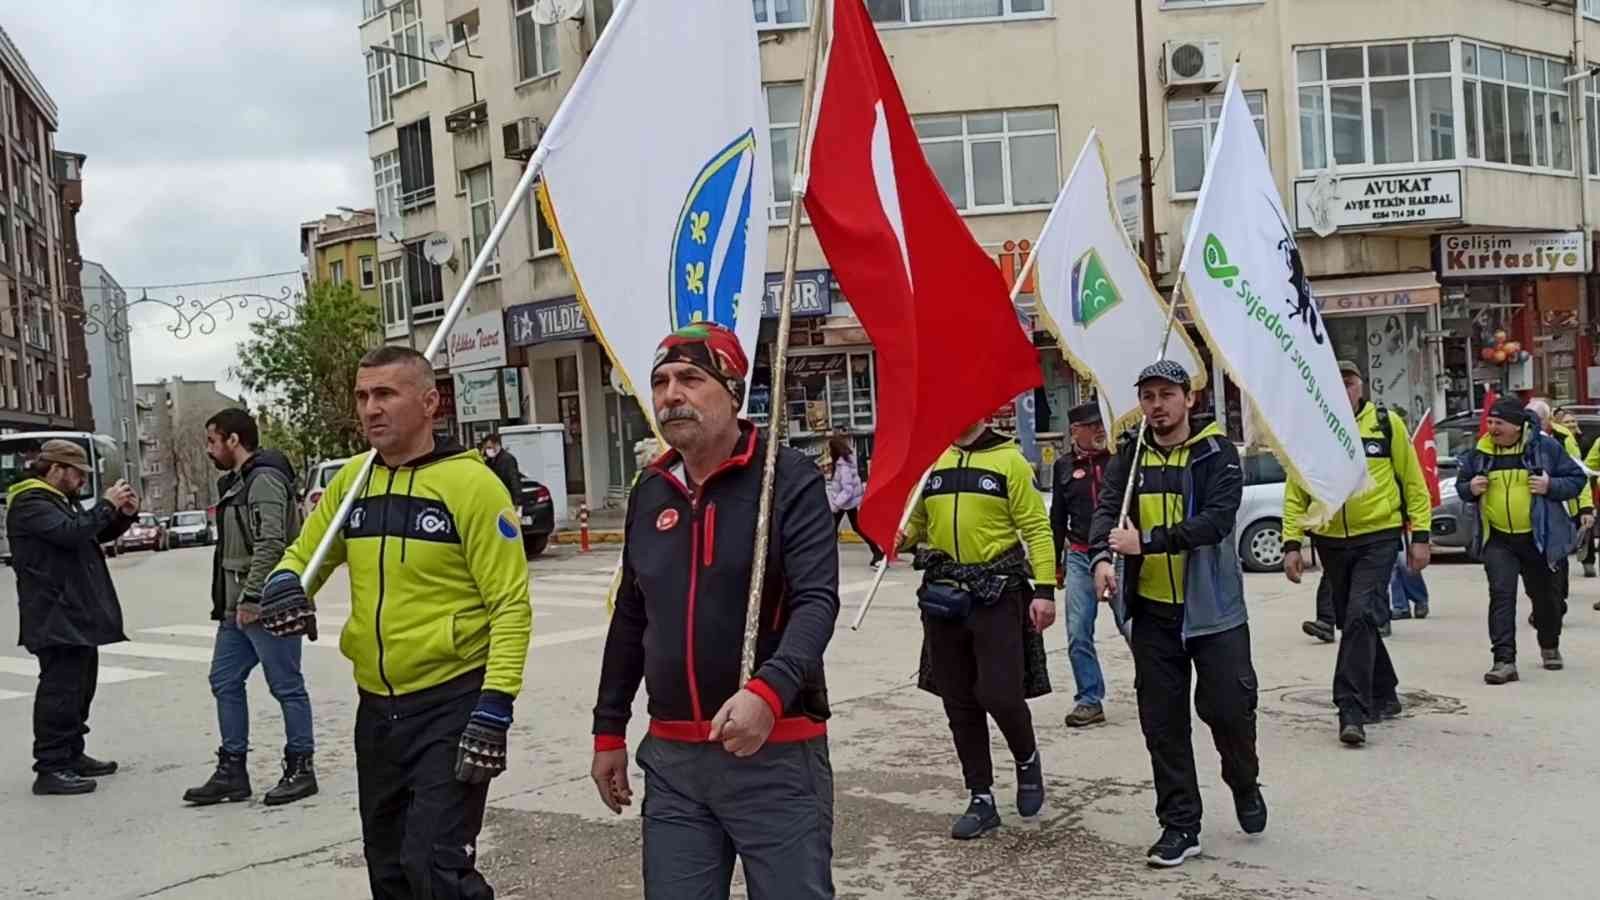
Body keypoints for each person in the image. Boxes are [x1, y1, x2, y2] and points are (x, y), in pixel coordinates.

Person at [260, 346, 532, 899]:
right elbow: (301, 556)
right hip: (378, 710)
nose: (370, 409)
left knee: (436, 869)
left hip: (452, 704)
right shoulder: (353, 484)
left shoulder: (473, 486)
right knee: (387, 868)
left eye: (385, 394)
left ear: (430, 402)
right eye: (362, 396)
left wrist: (495, 706)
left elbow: (510, 605)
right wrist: (285, 585)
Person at [590, 322, 840, 897]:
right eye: (660, 382)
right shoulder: (649, 491)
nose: (671, 394)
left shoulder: (787, 479)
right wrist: (609, 730)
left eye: (690, 378)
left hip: (775, 752)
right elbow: (631, 618)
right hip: (674, 762)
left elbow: (816, 602)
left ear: (733, 390)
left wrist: (767, 693)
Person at [1090, 360, 1263, 868]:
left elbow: (1214, 522)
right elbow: (1107, 511)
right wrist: (1103, 557)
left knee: (1229, 712)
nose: (1157, 405)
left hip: (1213, 615)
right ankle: (1180, 824)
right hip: (1153, 616)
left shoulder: (1217, 454)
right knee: (1162, 725)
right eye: (1148, 396)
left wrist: (1146, 543)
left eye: (1167, 394)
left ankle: (1244, 782)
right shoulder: (1131, 455)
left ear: (1188, 398)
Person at [900, 415, 1056, 841]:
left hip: (996, 593)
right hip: (943, 595)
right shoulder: (933, 462)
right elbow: (916, 526)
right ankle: (981, 797)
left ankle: (1026, 758)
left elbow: (1036, 528)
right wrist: (900, 534)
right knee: (959, 701)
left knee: (1000, 693)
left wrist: (1044, 588)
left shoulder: (1010, 462)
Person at [1282, 361, 1431, 746]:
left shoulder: (1386, 424)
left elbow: (1413, 482)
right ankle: (1385, 692)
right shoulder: (1310, 433)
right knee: (1355, 622)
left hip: (1378, 536)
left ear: (1360, 387)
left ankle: (1351, 708)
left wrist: (1421, 536)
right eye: (1334, 384)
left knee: (1361, 614)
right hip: (1331, 539)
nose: (1342, 390)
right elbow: (1295, 491)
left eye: (1348, 383)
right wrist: (1291, 543)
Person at [183, 408, 317, 807]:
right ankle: (232, 770)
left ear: (233, 440)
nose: (210, 450)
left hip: (267, 603)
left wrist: (255, 597)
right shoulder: (239, 483)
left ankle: (300, 767)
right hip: (236, 608)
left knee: (286, 686)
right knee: (224, 680)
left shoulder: (264, 481)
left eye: (212, 441)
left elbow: (272, 544)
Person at [8, 440, 137, 795]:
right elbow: (71, 533)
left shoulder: (56, 500)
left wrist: (122, 514)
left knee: (81, 687)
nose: (82, 481)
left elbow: (88, 532)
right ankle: (50, 767)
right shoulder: (30, 501)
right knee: (60, 691)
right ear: (55, 469)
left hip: (72, 612)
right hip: (53, 613)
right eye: (77, 473)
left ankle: (71, 753)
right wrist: (107, 504)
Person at [1456, 397, 1586, 682]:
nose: (1491, 428)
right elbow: (1462, 485)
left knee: (1546, 600)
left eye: (1498, 423)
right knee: (1501, 596)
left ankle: (1549, 644)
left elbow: (1577, 479)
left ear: (1517, 425)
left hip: (1538, 538)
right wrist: (1471, 487)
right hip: (1499, 539)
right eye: (1490, 422)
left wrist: (1550, 485)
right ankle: (1503, 661)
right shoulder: (1480, 453)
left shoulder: (1545, 448)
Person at [1050, 400, 1110, 728]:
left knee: (1136, 628)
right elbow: (1057, 518)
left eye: (1102, 423)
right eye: (1093, 425)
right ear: (1076, 431)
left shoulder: (1119, 458)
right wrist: (1053, 565)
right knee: (1077, 631)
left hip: (1118, 554)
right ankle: (1089, 698)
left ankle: (1155, 687)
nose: (1100, 430)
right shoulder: (1062, 467)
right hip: (1079, 555)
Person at [1526, 399, 1592, 624]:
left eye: (1537, 419)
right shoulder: (1521, 442)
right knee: (1536, 569)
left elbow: (1581, 473)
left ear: (1547, 420)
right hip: (1533, 514)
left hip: (1563, 509)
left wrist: (1585, 507)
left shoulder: (1563, 439)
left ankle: (1556, 602)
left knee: (1558, 563)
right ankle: (1543, 605)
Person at [825, 435, 883, 566]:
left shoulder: (843, 466)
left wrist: (836, 504)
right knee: (850, 528)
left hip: (844, 503)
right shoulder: (844, 462)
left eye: (829, 448)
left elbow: (848, 489)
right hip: (845, 503)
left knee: (834, 529)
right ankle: (877, 553)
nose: (828, 451)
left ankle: (827, 559)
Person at [480, 433, 525, 507]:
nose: (488, 450)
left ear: (497, 445)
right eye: (486, 448)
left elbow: (514, 479)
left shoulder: (507, 459)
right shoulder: (489, 460)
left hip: (507, 499)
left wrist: (517, 501)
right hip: (497, 499)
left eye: (489, 447)